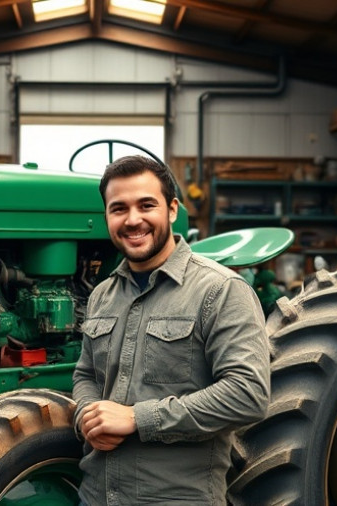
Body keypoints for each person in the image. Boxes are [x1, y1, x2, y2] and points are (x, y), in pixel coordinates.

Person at [72, 155, 271, 505]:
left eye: (146, 205)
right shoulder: (102, 294)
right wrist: (87, 416)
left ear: (172, 209)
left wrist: (137, 418)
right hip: (97, 495)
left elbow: (248, 393)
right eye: (119, 209)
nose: (133, 220)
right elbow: (86, 373)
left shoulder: (221, 290)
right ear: (106, 216)